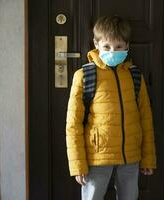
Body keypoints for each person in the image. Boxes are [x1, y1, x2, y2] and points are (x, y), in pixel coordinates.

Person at [66, 16, 156, 200]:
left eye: (119, 47)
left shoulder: (135, 76)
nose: (113, 51)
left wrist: (148, 157)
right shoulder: (84, 75)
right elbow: (73, 124)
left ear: (127, 46)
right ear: (96, 44)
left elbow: (146, 118)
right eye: (107, 47)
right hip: (97, 157)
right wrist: (78, 164)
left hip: (130, 155)